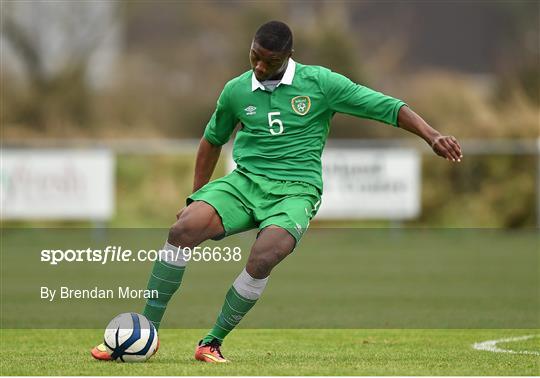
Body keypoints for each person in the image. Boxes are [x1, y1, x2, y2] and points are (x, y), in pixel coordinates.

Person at [91, 20, 462, 363]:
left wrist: (432, 135)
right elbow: (211, 140)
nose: (258, 67)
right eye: (254, 56)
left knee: (264, 256)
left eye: (268, 61)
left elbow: (387, 107)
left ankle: (212, 341)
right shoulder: (237, 90)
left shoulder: (321, 84)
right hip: (245, 183)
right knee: (183, 229)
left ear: (288, 57)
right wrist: (198, 196)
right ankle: (146, 331)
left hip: (296, 192)